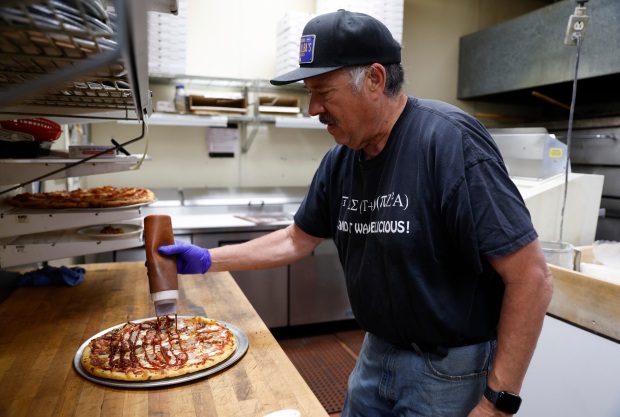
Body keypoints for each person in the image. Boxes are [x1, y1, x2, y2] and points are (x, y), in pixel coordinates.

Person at [159, 9, 554, 417]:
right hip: (375, 353)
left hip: (446, 370)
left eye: (323, 92)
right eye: (310, 92)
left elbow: (532, 277)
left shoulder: (449, 142)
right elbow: (297, 239)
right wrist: (208, 259)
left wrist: (497, 403)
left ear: (375, 80)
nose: (313, 108)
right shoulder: (341, 159)